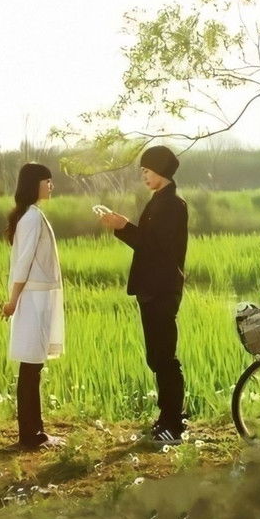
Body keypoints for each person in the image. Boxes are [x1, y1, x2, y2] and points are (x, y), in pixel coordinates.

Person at [98, 145, 188, 444]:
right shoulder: (161, 200)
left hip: (161, 289)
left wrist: (123, 226)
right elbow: (150, 242)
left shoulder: (172, 205)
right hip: (154, 288)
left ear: (160, 170)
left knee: (164, 357)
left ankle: (173, 424)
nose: (144, 176)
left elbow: (155, 247)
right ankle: (168, 417)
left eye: (147, 171)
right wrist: (122, 226)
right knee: (157, 356)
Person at [1, 162, 65, 451]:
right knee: (31, 367)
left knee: (32, 367)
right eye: (47, 181)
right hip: (33, 299)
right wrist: (13, 301)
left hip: (37, 297)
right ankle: (31, 435)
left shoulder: (32, 215)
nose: (51, 186)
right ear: (34, 184)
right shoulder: (32, 218)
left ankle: (33, 432)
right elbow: (23, 262)